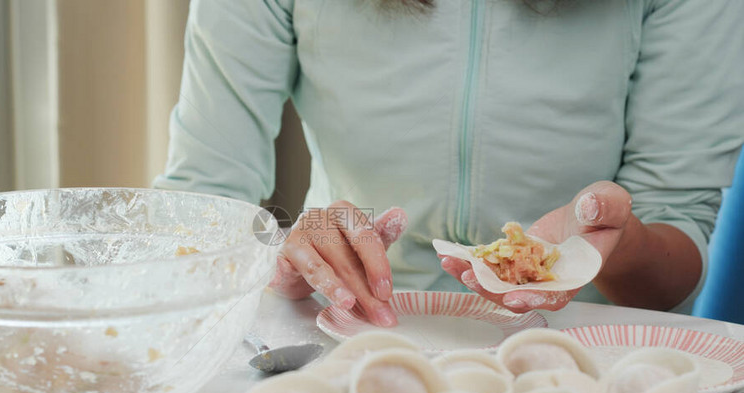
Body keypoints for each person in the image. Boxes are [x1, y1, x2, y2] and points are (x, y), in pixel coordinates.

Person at [154, 0, 744, 327]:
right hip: (341, 334)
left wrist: (608, 245)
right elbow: (201, 202)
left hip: (583, 354)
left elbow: (677, 259)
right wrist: (282, 263)